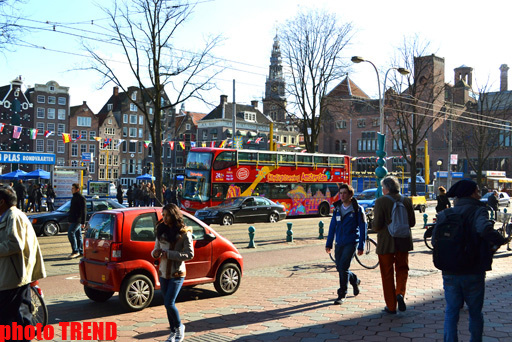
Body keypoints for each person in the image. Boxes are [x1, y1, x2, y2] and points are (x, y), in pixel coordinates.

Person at [440, 180, 508, 341]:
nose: (479, 194)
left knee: (451, 311)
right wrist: (501, 240)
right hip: (473, 268)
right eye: (477, 191)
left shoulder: (446, 214)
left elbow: (437, 240)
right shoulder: (478, 210)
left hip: (450, 269)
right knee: (475, 312)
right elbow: (484, 228)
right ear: (470, 193)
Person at [0, 185, 46, 336]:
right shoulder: (7, 215)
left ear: (2, 202)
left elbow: (15, 244)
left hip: (13, 277)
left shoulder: (13, 216)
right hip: (9, 275)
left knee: (14, 318)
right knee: (13, 317)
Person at [372, 176, 416, 314]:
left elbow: (377, 226)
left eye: (383, 187)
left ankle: (391, 306)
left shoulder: (381, 201)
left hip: (386, 243)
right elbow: (412, 223)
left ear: (386, 188)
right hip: (403, 241)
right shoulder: (407, 201)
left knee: (387, 273)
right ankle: (400, 293)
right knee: (402, 269)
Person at [151, 204, 194, 342]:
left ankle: (180, 327)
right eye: (163, 215)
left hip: (177, 273)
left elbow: (189, 254)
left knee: (169, 303)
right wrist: (155, 253)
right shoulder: (161, 231)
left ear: (174, 215)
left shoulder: (184, 232)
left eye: (167, 215)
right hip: (163, 273)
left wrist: (169, 254)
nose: (164, 218)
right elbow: (155, 249)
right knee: (167, 303)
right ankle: (173, 331)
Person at [325, 183, 367, 304]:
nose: (342, 196)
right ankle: (355, 280)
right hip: (339, 242)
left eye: (344, 193)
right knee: (340, 267)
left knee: (343, 267)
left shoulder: (358, 209)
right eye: (341, 193)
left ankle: (342, 293)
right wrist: (329, 243)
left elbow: (363, 227)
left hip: (351, 242)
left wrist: (361, 245)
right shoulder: (337, 209)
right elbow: (332, 226)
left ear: (350, 195)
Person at [68, 183, 86, 259]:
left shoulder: (81, 198)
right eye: (71, 188)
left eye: (73, 188)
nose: (71, 190)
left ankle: (75, 251)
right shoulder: (74, 197)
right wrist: (70, 219)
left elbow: (84, 211)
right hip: (74, 219)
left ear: (77, 189)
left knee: (70, 233)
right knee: (78, 236)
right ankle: (81, 252)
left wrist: (83, 222)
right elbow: (72, 210)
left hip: (78, 220)